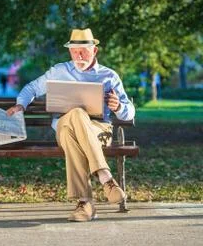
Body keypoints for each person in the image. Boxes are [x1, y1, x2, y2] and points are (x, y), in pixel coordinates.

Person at [7, 28, 135, 222]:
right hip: (64, 125)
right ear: (70, 51)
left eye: (83, 50)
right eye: (74, 50)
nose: (79, 55)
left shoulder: (109, 76)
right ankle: (105, 176)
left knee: (71, 129)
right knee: (75, 115)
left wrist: (118, 107)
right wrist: (20, 104)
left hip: (98, 130)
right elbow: (31, 88)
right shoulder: (59, 71)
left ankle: (85, 204)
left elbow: (130, 112)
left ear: (95, 51)